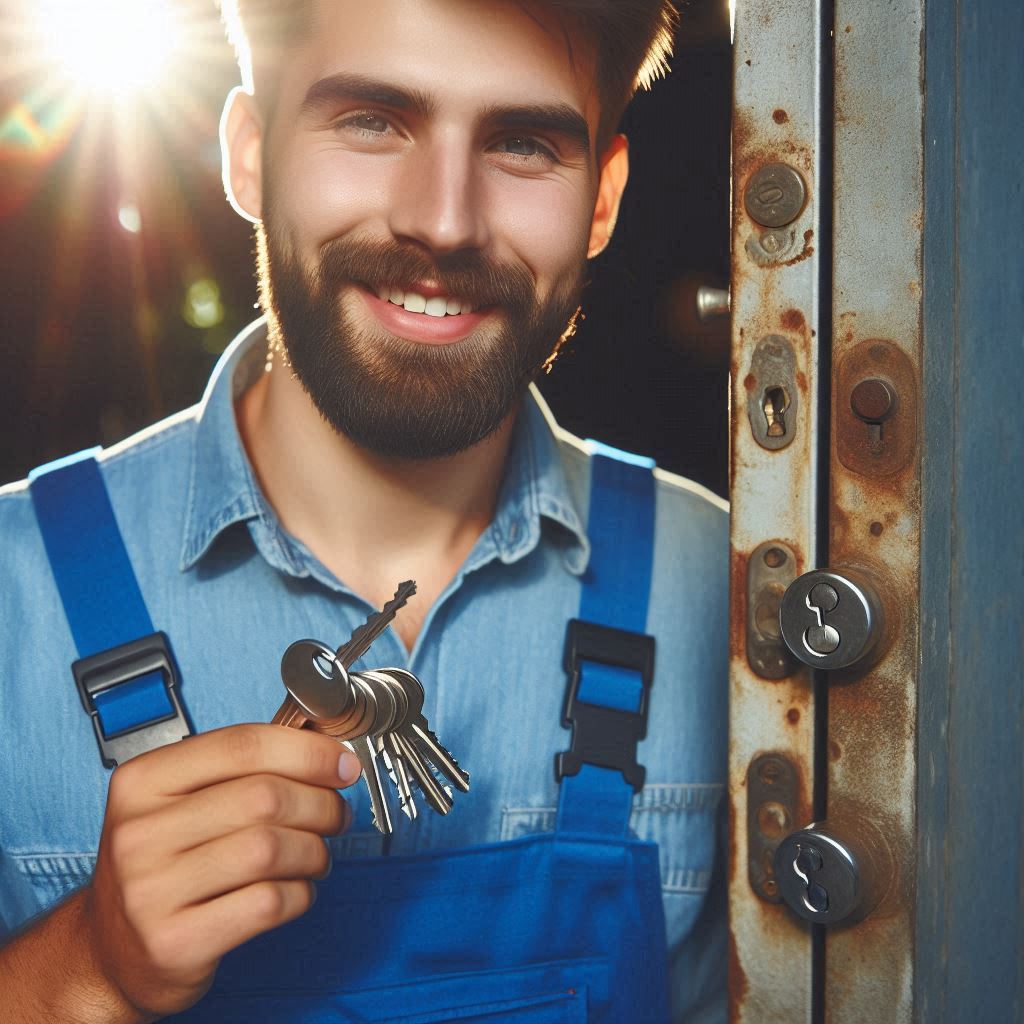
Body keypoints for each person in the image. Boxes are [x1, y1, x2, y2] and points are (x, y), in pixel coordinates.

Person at [0, 1, 728, 1021]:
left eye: (522, 143)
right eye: (372, 121)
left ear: (602, 198)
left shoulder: (726, 588)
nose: (441, 218)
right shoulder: (13, 593)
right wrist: (84, 966)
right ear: (250, 154)